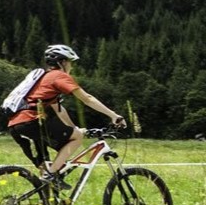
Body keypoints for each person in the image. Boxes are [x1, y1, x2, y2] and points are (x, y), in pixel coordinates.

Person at [7, 44, 126, 190]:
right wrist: (114, 116)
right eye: (70, 62)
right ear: (62, 62)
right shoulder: (58, 76)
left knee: (48, 166)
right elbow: (87, 98)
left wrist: (74, 129)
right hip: (32, 121)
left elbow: (59, 110)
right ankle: (51, 176)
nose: (72, 66)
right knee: (75, 140)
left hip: (16, 125)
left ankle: (49, 203)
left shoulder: (44, 80)